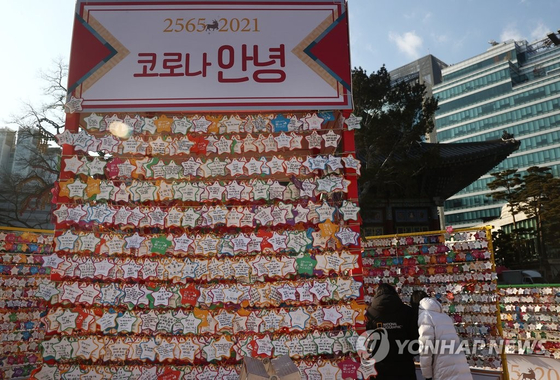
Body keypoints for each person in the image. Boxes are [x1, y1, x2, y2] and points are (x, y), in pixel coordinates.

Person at [365, 283, 418, 380]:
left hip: (381, 364)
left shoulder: (370, 313)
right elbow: (414, 336)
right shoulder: (407, 311)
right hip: (404, 364)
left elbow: (368, 337)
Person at [417, 295, 473, 380]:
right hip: (458, 361)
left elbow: (426, 347)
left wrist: (427, 375)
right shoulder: (443, 316)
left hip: (443, 366)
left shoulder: (425, 316)